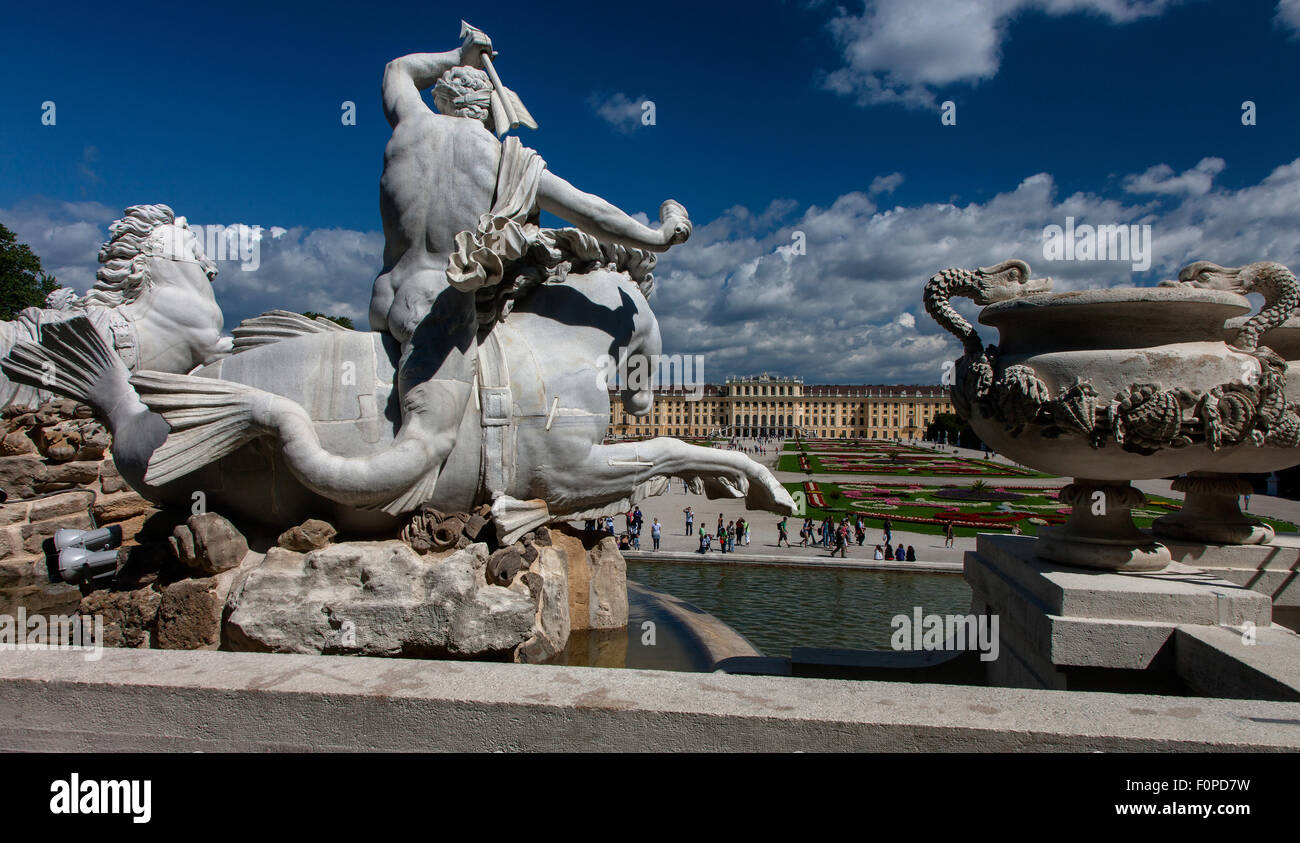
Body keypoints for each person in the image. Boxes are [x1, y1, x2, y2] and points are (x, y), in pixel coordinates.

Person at [364, 29, 691, 513]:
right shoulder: (507, 162)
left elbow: (397, 68)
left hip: (384, 300)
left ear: (442, 98)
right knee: (426, 446)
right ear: (491, 108)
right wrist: (655, 238)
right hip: (441, 310)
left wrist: (458, 54)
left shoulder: (409, 126)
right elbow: (594, 215)